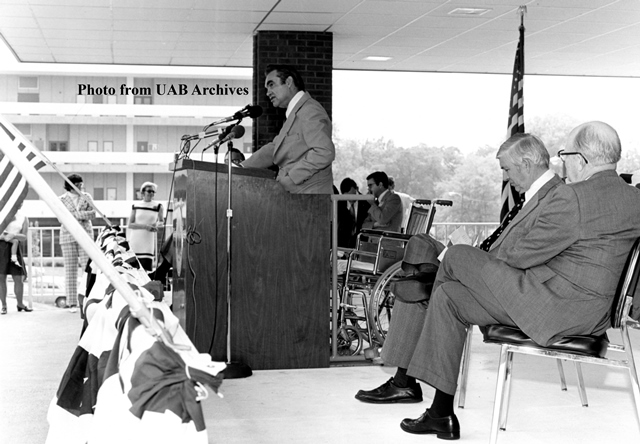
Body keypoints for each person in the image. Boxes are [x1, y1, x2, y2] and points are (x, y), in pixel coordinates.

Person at [365, 122, 640, 440]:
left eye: (564, 155)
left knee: (457, 259)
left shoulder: (572, 198)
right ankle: (440, 413)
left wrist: (481, 268)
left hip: (556, 310)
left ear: (581, 159)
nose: (562, 162)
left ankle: (408, 362)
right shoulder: (634, 200)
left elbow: (521, 257)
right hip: (593, 313)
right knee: (450, 296)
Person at [356, 133, 562, 406]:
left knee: (419, 285)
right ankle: (404, 373)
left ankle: (403, 381)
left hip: (501, 282)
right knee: (419, 245)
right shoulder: (533, 196)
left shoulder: (554, 199)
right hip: (486, 265)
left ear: (526, 164)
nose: (506, 177)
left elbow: (523, 255)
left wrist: (474, 258)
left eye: (507, 169)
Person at [241, 64, 335, 194]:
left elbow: (324, 152)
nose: (268, 92)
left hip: (310, 201)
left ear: (289, 82)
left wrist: (290, 179)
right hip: (297, 200)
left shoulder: (310, 110)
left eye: (271, 84)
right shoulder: (294, 113)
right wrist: (241, 168)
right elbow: (274, 149)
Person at [59, 174, 96, 313]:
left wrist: (74, 215)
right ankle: (72, 303)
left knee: (88, 269)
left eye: (82, 184)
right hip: (67, 236)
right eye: (78, 184)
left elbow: (93, 214)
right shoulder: (61, 199)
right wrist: (81, 215)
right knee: (70, 270)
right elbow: (62, 218)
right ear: (70, 185)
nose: (81, 187)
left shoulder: (87, 196)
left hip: (85, 235)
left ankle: (88, 299)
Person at [127, 182, 164, 272]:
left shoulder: (158, 206)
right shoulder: (136, 206)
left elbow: (161, 221)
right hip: (135, 240)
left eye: (153, 191)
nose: (151, 193)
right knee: (133, 269)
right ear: (143, 192)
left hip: (148, 240)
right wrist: (145, 226)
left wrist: (156, 225)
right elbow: (130, 225)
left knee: (146, 269)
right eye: (149, 191)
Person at [0, 209, 32, 314]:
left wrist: (13, 235)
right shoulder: (2, 213)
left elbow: (23, 237)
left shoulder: (23, 217)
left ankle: (20, 304)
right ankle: (4, 305)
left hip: (15, 247)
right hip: (1, 247)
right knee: (1, 278)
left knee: (19, 278)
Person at [337, 177, 371, 248]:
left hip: (362, 242)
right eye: (348, 196)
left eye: (353, 194)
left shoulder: (367, 203)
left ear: (357, 189)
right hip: (343, 244)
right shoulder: (339, 204)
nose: (351, 198)